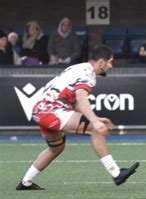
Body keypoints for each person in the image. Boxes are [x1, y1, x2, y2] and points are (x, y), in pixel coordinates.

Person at [16, 44, 139, 190]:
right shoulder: (88, 74)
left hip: (40, 111)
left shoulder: (78, 68)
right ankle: (116, 173)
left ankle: (26, 182)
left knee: (56, 148)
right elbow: (81, 98)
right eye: (110, 62)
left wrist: (97, 118)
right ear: (101, 62)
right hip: (51, 111)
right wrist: (95, 122)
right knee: (94, 129)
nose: (111, 66)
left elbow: (75, 103)